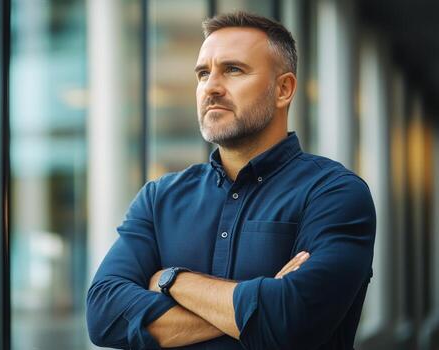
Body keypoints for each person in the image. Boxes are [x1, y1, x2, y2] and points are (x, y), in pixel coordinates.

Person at [86, 11, 375, 350]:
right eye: (203, 73)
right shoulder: (159, 198)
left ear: (283, 89)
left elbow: (292, 323)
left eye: (233, 70)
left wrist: (172, 280)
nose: (211, 87)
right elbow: (104, 314)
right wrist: (254, 306)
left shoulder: (334, 194)